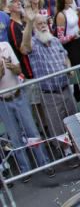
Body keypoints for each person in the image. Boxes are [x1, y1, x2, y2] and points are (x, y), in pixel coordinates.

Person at [20, 4, 78, 153]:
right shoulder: (34, 44)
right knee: (57, 125)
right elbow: (24, 46)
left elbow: (65, 55)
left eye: (44, 23)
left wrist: (68, 67)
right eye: (39, 24)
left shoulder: (55, 41)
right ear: (34, 27)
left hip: (65, 88)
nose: (43, 26)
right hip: (49, 93)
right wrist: (29, 22)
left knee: (74, 120)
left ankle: (79, 148)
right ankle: (66, 152)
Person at [0, 38, 50, 175]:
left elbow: (18, 69)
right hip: (3, 101)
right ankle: (25, 170)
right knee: (15, 137)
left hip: (18, 95)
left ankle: (45, 163)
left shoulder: (5, 46)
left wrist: (12, 67)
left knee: (32, 131)